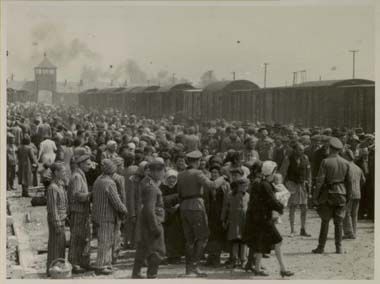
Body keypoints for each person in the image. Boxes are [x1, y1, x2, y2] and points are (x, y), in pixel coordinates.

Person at [177, 150, 226, 277]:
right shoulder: (198, 173)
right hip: (196, 206)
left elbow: (180, 193)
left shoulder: (181, 174)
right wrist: (223, 178)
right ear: (197, 161)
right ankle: (195, 266)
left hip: (184, 207)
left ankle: (188, 269)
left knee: (189, 240)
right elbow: (212, 185)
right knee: (203, 237)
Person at [244, 161, 293, 277]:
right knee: (278, 241)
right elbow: (272, 202)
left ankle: (257, 268)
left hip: (258, 219)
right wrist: (281, 206)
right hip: (264, 219)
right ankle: (283, 269)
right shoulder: (265, 185)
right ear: (271, 172)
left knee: (261, 243)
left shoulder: (260, 183)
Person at [312, 137, 353, 254]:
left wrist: (315, 197)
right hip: (341, 194)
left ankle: (321, 247)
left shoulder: (325, 161)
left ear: (330, 148)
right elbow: (349, 182)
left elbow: (320, 181)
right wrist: (348, 197)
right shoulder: (346, 163)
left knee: (325, 221)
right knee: (339, 223)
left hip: (327, 194)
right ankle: (338, 248)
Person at [92, 159, 129, 275]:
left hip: (98, 214)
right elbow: (116, 201)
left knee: (103, 240)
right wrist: (124, 209)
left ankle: (106, 263)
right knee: (106, 241)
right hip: (107, 216)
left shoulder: (98, 180)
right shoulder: (109, 183)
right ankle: (101, 265)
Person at [132, 159, 166, 279]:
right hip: (152, 221)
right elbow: (149, 209)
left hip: (145, 221)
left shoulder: (146, 182)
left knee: (143, 247)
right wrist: (155, 226)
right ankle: (152, 275)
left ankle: (136, 273)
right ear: (156, 172)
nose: (163, 174)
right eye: (162, 171)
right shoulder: (151, 187)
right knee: (157, 250)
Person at [67, 152, 93, 273]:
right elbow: (76, 195)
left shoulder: (81, 174)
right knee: (76, 238)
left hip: (82, 211)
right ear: (81, 164)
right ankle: (74, 263)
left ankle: (82, 262)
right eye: (88, 164)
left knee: (84, 238)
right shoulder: (77, 177)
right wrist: (90, 195)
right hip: (78, 211)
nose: (90, 166)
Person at [281, 142, 312, 237]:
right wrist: (285, 186)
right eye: (300, 149)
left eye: (303, 150)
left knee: (304, 208)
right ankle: (292, 230)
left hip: (302, 185)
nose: (302, 151)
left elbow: (309, 172)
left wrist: (309, 184)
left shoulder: (305, 158)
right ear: (294, 150)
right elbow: (283, 172)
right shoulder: (288, 159)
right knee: (293, 207)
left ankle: (303, 229)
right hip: (292, 185)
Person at [221, 167, 249, 269]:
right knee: (235, 240)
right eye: (243, 186)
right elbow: (225, 207)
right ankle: (234, 259)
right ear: (238, 186)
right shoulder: (230, 195)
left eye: (246, 186)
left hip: (244, 221)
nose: (245, 188)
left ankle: (244, 260)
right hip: (234, 221)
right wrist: (223, 219)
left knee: (244, 241)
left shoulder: (248, 196)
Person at [205, 164, 230, 267]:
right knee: (210, 235)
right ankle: (210, 258)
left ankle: (216, 259)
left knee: (218, 235)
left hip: (220, 212)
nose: (214, 174)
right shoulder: (208, 184)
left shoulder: (225, 184)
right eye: (212, 172)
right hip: (210, 213)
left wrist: (225, 216)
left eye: (216, 172)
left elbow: (227, 200)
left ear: (220, 174)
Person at [46, 162, 68, 277]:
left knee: (60, 245)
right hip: (57, 220)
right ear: (56, 172)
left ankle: (58, 268)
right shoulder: (52, 188)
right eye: (63, 171)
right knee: (55, 245)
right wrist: (57, 223)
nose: (65, 173)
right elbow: (52, 207)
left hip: (62, 218)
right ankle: (52, 269)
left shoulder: (60, 185)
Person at [160, 169, 186, 264]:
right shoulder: (163, 187)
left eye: (173, 177)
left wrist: (178, 206)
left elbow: (183, 198)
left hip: (178, 214)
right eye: (169, 178)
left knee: (178, 235)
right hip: (167, 214)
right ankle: (169, 255)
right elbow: (160, 199)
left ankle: (177, 256)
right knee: (168, 235)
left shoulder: (180, 186)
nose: (171, 180)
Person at [343, 150, 366, 239]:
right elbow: (363, 180)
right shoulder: (357, 168)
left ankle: (349, 233)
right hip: (357, 193)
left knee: (346, 213)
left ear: (348, 156)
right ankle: (354, 232)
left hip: (349, 193)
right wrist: (358, 186)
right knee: (354, 214)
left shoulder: (346, 167)